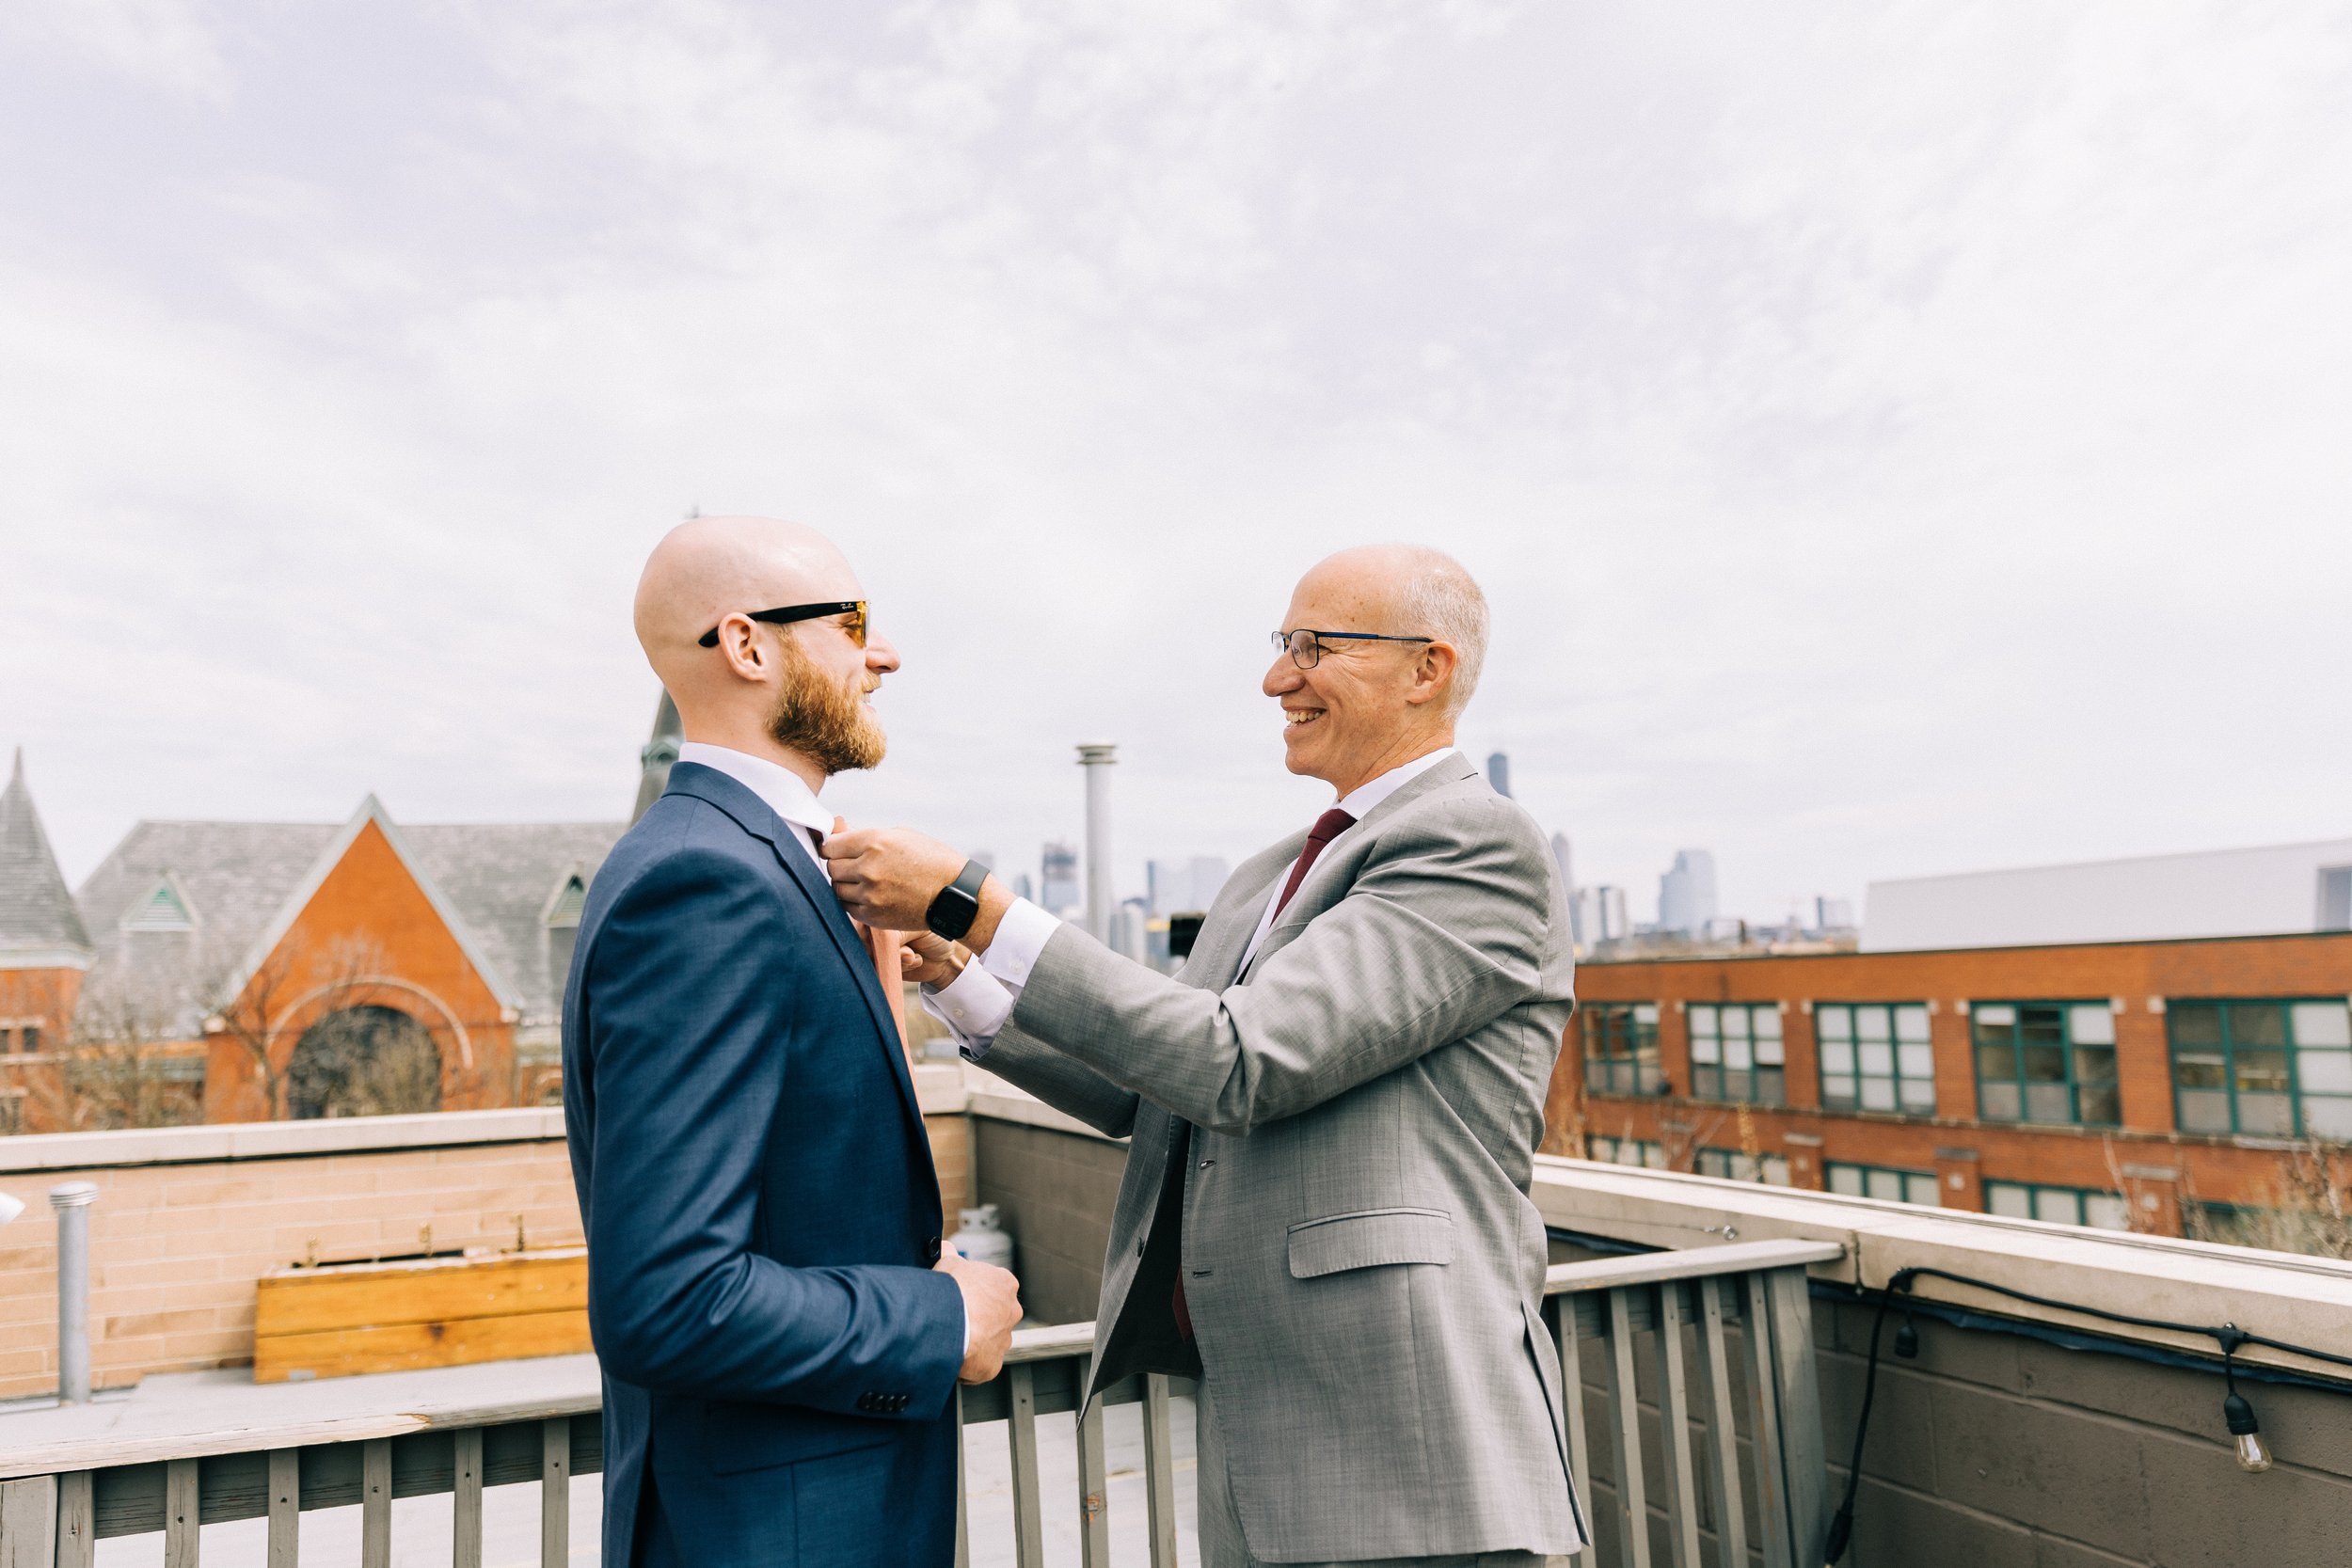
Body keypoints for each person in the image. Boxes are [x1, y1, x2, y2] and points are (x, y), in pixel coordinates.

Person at [827, 543, 1584, 1568]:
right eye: (1283, 645)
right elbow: (1158, 1083)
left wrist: (974, 897)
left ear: (1427, 668)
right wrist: (959, 971)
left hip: (1407, 1429)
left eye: (1316, 646)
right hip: (1255, 1413)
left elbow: (1244, 1060)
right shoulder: (1269, 872)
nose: (1279, 677)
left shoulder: (1476, 843)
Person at [564, 515, 1022, 1568]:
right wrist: (938, 1316)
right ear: (749, 644)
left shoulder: (770, 865)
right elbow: (668, 1296)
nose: (886, 654)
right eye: (854, 622)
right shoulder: (705, 882)